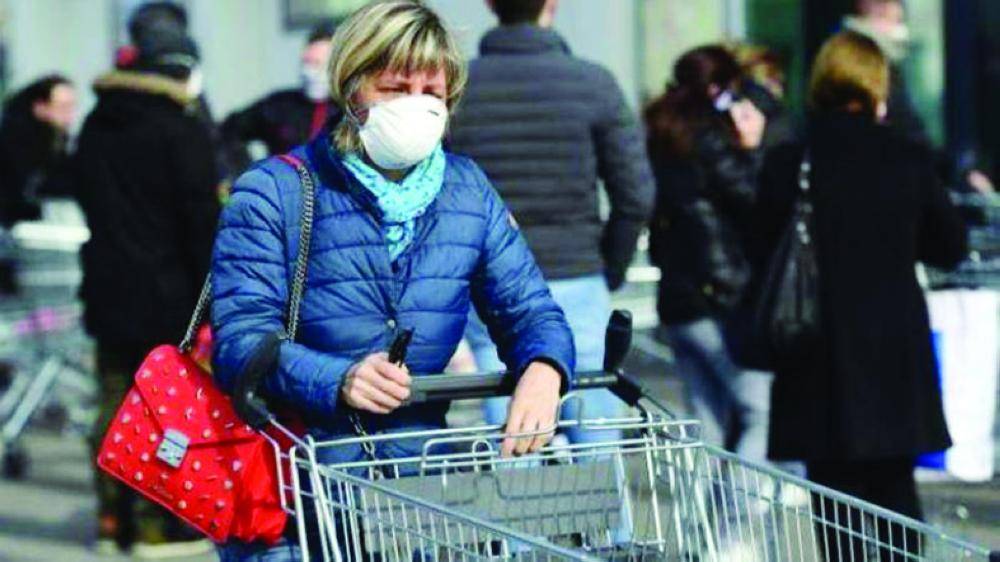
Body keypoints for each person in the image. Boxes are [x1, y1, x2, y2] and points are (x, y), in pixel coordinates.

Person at [210, 2, 574, 559]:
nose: (417, 105)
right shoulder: (274, 191)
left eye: (432, 92)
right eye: (396, 88)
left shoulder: (466, 190)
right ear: (352, 89)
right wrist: (339, 378)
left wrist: (545, 368)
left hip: (416, 498)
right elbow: (240, 342)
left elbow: (529, 309)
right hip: (295, 493)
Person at [753, 31, 967, 560]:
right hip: (892, 357)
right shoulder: (906, 156)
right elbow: (949, 246)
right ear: (876, 86)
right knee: (896, 496)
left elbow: (758, 246)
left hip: (815, 353)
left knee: (834, 507)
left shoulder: (790, 160)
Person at [448, 0, 654, 446]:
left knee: (512, 431)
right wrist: (609, 266)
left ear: (490, 4)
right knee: (595, 434)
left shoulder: (460, 87)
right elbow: (636, 194)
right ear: (552, 4)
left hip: (489, 282)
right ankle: (601, 497)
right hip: (575, 270)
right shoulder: (593, 83)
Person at [75, 28, 220, 559]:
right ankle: (156, 525)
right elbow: (200, 221)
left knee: (113, 398)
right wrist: (212, 297)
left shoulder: (96, 123)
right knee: (164, 409)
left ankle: (112, 519)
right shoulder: (179, 128)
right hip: (168, 294)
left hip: (107, 287)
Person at [643, 46, 769, 461]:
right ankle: (741, 505)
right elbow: (755, 201)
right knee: (760, 412)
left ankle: (702, 507)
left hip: (678, 299)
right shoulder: (711, 140)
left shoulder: (660, 136)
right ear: (717, 88)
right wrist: (752, 148)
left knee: (706, 419)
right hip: (720, 296)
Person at [220, 22, 338, 174]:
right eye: (306, 62)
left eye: (318, 64)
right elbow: (230, 129)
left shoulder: (348, 110)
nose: (309, 71)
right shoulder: (279, 105)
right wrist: (245, 170)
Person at [0, 75, 77, 227]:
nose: (70, 115)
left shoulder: (55, 139)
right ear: (40, 107)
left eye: (72, 107)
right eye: (63, 107)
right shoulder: (20, 143)